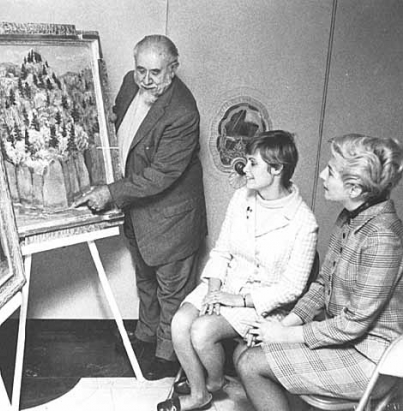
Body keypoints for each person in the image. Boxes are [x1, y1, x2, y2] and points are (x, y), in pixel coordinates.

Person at [236, 134, 403, 411]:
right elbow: (322, 284)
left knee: (251, 364)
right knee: (245, 352)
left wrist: (285, 335)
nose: (323, 174)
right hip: (344, 342)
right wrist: (285, 324)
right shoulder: (350, 217)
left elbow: (353, 323)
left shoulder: (382, 237)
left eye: (331, 171)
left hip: (371, 358)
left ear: (354, 189)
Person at [73, 34, 206, 380]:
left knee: (170, 290)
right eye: (140, 70)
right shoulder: (131, 86)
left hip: (172, 217)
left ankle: (165, 358)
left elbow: (161, 175)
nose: (146, 80)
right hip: (139, 210)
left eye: (155, 73)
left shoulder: (182, 112)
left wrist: (111, 193)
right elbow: (115, 125)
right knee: (146, 279)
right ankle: (145, 338)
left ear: (173, 70)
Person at [157, 130, 318, 411]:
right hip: (227, 284)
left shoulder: (304, 222)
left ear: (277, 168)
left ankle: (215, 382)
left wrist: (239, 301)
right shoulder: (241, 197)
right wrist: (214, 290)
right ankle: (199, 394)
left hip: (263, 300)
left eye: (253, 163)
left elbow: (292, 287)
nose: (246, 168)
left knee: (202, 331)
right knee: (180, 322)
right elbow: (221, 251)